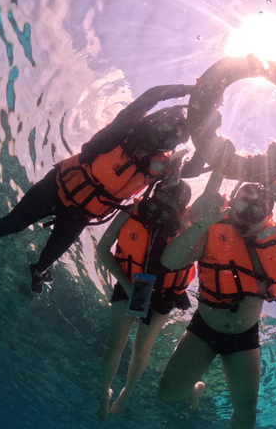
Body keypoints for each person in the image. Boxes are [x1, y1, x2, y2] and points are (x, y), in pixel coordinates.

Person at [0, 84, 191, 293]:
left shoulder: (159, 164)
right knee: (16, 223)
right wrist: (190, 91)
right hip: (58, 190)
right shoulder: (124, 131)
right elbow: (151, 96)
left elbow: (187, 173)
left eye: (171, 133)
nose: (164, 133)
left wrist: (196, 108)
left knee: (35, 241)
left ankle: (26, 264)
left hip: (73, 207)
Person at [157, 172, 276, 429]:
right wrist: (202, 223)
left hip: (243, 338)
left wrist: (272, 176)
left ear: (269, 212)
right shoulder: (210, 229)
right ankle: (196, 389)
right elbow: (169, 261)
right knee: (167, 394)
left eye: (259, 203)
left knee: (246, 413)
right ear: (230, 202)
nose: (249, 207)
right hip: (203, 329)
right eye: (242, 200)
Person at [95, 180, 194, 420]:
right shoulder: (132, 211)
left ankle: (126, 392)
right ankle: (102, 393)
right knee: (114, 345)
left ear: (181, 210)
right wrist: (128, 286)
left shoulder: (186, 228)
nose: (161, 210)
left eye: (170, 206)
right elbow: (102, 249)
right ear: (154, 192)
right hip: (129, 282)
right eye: (160, 199)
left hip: (162, 294)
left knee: (142, 350)